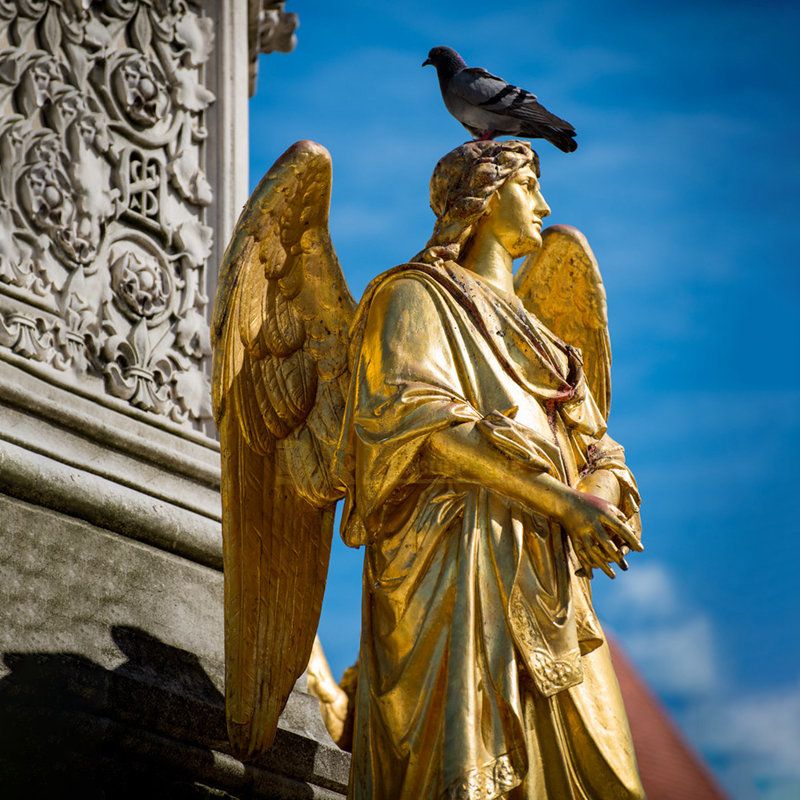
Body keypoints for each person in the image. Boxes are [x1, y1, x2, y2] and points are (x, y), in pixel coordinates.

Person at [332, 139, 645, 800]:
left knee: (613, 782)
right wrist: (560, 503)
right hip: (461, 564)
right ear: (483, 196)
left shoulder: (550, 339)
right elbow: (420, 429)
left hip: (552, 581)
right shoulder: (413, 297)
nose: (544, 203)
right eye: (528, 185)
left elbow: (601, 445)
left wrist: (595, 493)